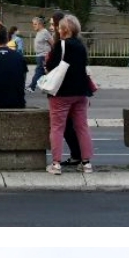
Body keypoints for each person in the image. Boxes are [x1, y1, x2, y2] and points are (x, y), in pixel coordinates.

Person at [42, 13, 95, 172]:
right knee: (82, 127)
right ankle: (86, 163)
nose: (58, 30)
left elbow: (51, 65)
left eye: (59, 28)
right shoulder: (81, 45)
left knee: (57, 127)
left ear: (65, 30)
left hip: (62, 92)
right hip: (81, 92)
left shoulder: (61, 45)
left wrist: (47, 62)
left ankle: (56, 164)